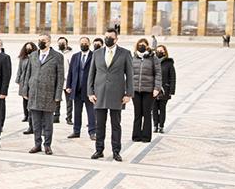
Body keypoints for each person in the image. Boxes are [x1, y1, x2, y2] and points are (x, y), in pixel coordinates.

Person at [88, 28, 134, 162]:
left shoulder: (125, 53)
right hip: (99, 94)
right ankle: (99, 150)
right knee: (99, 125)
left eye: (111, 37)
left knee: (116, 125)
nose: (107, 39)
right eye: (106, 36)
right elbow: (91, 74)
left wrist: (129, 94)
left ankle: (116, 151)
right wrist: (90, 92)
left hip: (117, 95)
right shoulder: (97, 53)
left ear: (116, 39)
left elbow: (130, 75)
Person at [21, 34, 64, 155]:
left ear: (49, 42)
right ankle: (37, 144)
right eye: (39, 40)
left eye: (43, 41)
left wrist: (57, 96)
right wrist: (25, 90)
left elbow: (60, 78)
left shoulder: (57, 57)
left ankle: (47, 145)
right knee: (35, 122)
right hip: (34, 94)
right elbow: (27, 74)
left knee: (48, 123)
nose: (41, 43)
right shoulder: (33, 55)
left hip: (49, 95)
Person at [131, 38, 162, 143]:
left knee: (147, 113)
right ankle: (136, 136)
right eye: (139, 45)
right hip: (136, 90)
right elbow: (129, 74)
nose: (141, 46)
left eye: (143, 44)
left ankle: (146, 137)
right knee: (137, 113)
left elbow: (158, 73)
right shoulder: (133, 57)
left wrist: (157, 88)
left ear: (147, 46)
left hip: (149, 90)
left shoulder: (153, 58)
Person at [65, 37, 96, 141]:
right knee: (77, 112)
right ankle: (76, 131)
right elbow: (70, 72)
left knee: (91, 112)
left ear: (89, 44)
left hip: (89, 91)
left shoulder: (94, 56)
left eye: (86, 43)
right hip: (76, 90)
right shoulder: (75, 56)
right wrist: (68, 85)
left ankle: (92, 132)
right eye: (82, 43)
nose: (84, 45)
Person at [153, 45, 176, 133]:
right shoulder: (153, 62)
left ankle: (161, 126)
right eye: (157, 50)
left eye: (161, 50)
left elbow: (172, 77)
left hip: (164, 89)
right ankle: (155, 125)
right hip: (154, 89)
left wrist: (171, 91)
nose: (159, 52)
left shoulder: (169, 63)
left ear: (164, 52)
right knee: (154, 108)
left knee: (162, 108)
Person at [16, 42, 37, 135]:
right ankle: (27, 117)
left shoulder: (35, 57)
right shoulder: (22, 58)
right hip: (23, 81)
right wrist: (18, 79)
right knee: (25, 100)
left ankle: (32, 125)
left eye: (30, 48)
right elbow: (19, 69)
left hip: (32, 82)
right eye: (27, 48)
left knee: (31, 104)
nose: (28, 49)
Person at [55, 37, 73, 125]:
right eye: (60, 43)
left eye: (63, 43)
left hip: (67, 81)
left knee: (69, 101)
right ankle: (56, 116)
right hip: (57, 80)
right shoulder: (55, 53)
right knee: (56, 100)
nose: (61, 44)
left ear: (66, 44)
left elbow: (72, 68)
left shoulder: (71, 54)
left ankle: (69, 118)